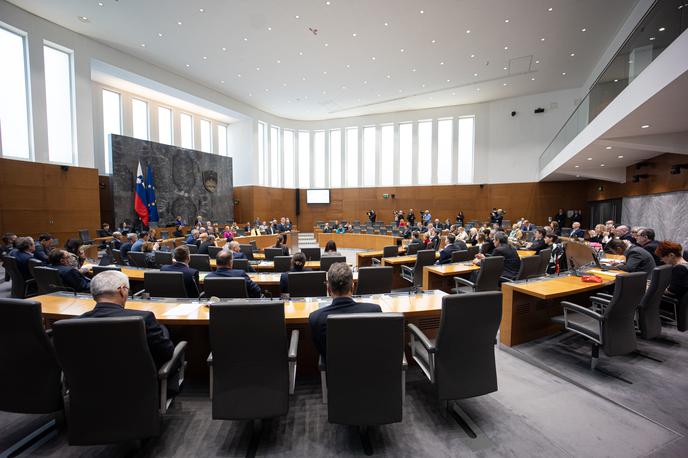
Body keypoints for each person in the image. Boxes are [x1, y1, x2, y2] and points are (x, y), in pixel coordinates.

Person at [80, 270, 175, 371]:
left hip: (87, 383)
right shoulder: (144, 319)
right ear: (122, 290)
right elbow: (166, 353)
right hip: (138, 382)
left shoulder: (73, 324)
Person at [308, 263, 381, 363]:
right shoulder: (374, 311)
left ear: (329, 290)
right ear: (353, 287)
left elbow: (322, 350)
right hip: (369, 369)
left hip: (336, 374)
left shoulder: (315, 318)